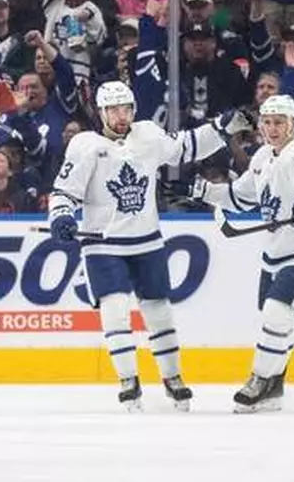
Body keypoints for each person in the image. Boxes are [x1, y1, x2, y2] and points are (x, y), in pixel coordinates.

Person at [47, 81, 253, 411]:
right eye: (113, 110)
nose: (121, 116)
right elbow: (64, 191)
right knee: (114, 310)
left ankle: (173, 378)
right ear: (101, 112)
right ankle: (129, 382)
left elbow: (186, 147)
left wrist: (222, 126)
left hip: (147, 240)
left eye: (126, 109)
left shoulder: (147, 135)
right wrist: (61, 216)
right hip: (104, 244)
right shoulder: (85, 146)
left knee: (159, 311)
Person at [188, 95, 294, 413]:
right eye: (267, 122)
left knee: (276, 311)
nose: (272, 129)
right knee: (276, 320)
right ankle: (274, 390)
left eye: (279, 122)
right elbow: (240, 198)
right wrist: (202, 191)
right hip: (278, 249)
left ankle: (259, 379)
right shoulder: (260, 158)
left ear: (293, 124)